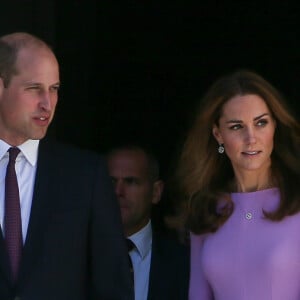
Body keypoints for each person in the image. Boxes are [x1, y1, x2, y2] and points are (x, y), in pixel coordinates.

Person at [0, 32, 133, 299]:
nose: (47, 103)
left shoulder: (85, 175)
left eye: (54, 89)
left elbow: (113, 285)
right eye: (34, 88)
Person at [174, 70, 300, 299]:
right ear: (218, 134)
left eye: (261, 123)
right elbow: (198, 294)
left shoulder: (296, 201)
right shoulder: (205, 208)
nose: (251, 138)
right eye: (236, 126)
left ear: (275, 126)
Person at [107, 145, 190, 300]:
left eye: (130, 182)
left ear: (156, 192)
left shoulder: (184, 263)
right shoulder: (77, 257)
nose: (118, 191)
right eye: (111, 181)